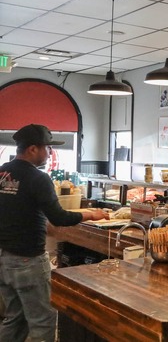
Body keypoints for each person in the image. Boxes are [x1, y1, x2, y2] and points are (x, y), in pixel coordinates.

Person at [0, 124, 108, 342]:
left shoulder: (3, 172)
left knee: (15, 318)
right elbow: (60, 218)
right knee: (43, 321)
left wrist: (37, 224)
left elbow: (16, 209)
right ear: (32, 149)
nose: (50, 153)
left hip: (4, 258)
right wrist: (91, 214)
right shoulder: (38, 178)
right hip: (28, 260)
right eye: (47, 148)